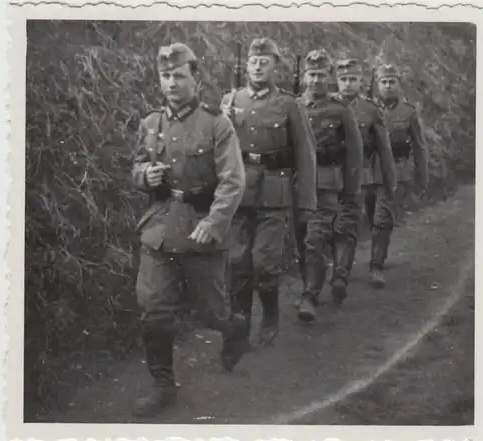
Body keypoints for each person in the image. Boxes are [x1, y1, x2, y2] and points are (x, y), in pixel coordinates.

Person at [131, 42, 248, 417]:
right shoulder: (151, 123)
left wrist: (214, 222)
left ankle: (233, 328)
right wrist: (144, 176)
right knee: (154, 310)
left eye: (179, 76)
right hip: (160, 227)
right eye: (165, 76)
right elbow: (135, 167)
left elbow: (232, 181)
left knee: (211, 312)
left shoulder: (217, 124)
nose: (171, 83)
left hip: (201, 229)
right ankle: (163, 385)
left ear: (195, 79)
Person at [221, 37, 317, 345]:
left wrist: (306, 200)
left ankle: (271, 316)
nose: (258, 66)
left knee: (264, 262)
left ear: (276, 66)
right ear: (245, 65)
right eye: (253, 61)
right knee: (237, 262)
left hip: (274, 192)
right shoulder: (231, 100)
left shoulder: (289, 104)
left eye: (265, 61)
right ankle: (241, 325)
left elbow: (305, 153)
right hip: (239, 193)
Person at [295, 49, 363, 322]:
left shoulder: (340, 110)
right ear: (304, 77)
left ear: (329, 78)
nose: (316, 80)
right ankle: (310, 283)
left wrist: (351, 188)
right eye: (311, 75)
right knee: (302, 239)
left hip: (326, 183)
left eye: (321, 75)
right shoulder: (294, 106)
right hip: (297, 184)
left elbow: (355, 152)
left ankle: (310, 295)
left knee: (316, 238)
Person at [334, 58, 397, 288]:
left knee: (363, 221)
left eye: (353, 79)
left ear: (361, 81)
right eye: (343, 79)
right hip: (331, 175)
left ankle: (367, 268)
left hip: (362, 175)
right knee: (332, 225)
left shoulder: (370, 110)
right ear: (336, 81)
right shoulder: (328, 106)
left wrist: (390, 179)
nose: (348, 84)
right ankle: (337, 269)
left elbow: (384, 148)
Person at [368, 63, 429, 286]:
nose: (388, 86)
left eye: (392, 81)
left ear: (398, 84)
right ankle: (377, 251)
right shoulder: (368, 109)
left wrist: (422, 178)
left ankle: (376, 266)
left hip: (394, 171)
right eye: (383, 82)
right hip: (367, 170)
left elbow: (420, 147)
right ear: (377, 85)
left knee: (382, 217)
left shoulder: (409, 112)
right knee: (369, 215)